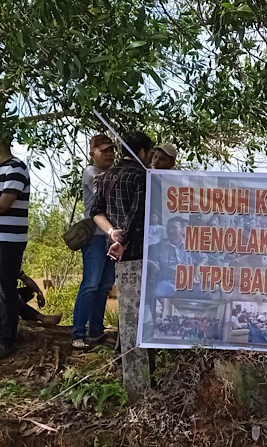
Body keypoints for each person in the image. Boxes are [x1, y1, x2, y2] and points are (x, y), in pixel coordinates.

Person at [91, 131, 154, 402]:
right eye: (149, 153)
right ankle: (141, 386)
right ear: (141, 152)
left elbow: (96, 211)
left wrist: (113, 234)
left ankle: (128, 366)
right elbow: (137, 212)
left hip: (119, 255)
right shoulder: (142, 176)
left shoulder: (105, 177)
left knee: (128, 314)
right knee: (140, 316)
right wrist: (124, 239)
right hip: (139, 254)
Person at [72, 134, 116, 349]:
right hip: (96, 237)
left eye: (111, 150)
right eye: (104, 151)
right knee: (90, 284)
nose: (109, 154)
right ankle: (78, 332)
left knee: (105, 286)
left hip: (111, 238)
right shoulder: (91, 172)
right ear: (92, 153)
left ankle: (96, 332)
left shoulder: (110, 174)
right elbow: (106, 197)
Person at [0, 130, 30, 359]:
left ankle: (6, 339)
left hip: (9, 239)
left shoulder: (16, 167)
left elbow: (4, 204)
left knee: (5, 286)